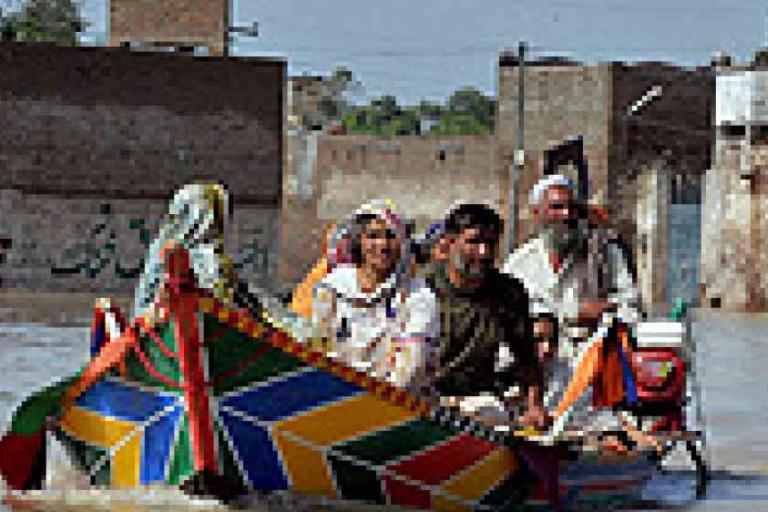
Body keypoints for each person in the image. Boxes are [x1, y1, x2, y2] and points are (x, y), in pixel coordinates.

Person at [502, 174, 643, 443]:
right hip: (532, 380)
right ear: (536, 214)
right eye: (556, 208)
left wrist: (605, 310)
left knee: (605, 429)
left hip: (591, 379)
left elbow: (633, 312)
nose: (565, 215)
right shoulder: (519, 265)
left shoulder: (604, 257)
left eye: (571, 208)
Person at [426, 203, 544, 426]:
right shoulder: (424, 287)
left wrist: (534, 406)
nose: (483, 253)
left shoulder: (508, 293)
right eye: (474, 242)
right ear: (450, 242)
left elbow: (527, 358)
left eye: (490, 244)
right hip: (424, 394)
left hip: (477, 397)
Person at [312, 200, 438, 390]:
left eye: (390, 236)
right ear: (359, 242)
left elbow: (410, 369)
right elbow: (318, 349)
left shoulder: (418, 297)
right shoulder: (331, 289)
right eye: (373, 236)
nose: (382, 245)